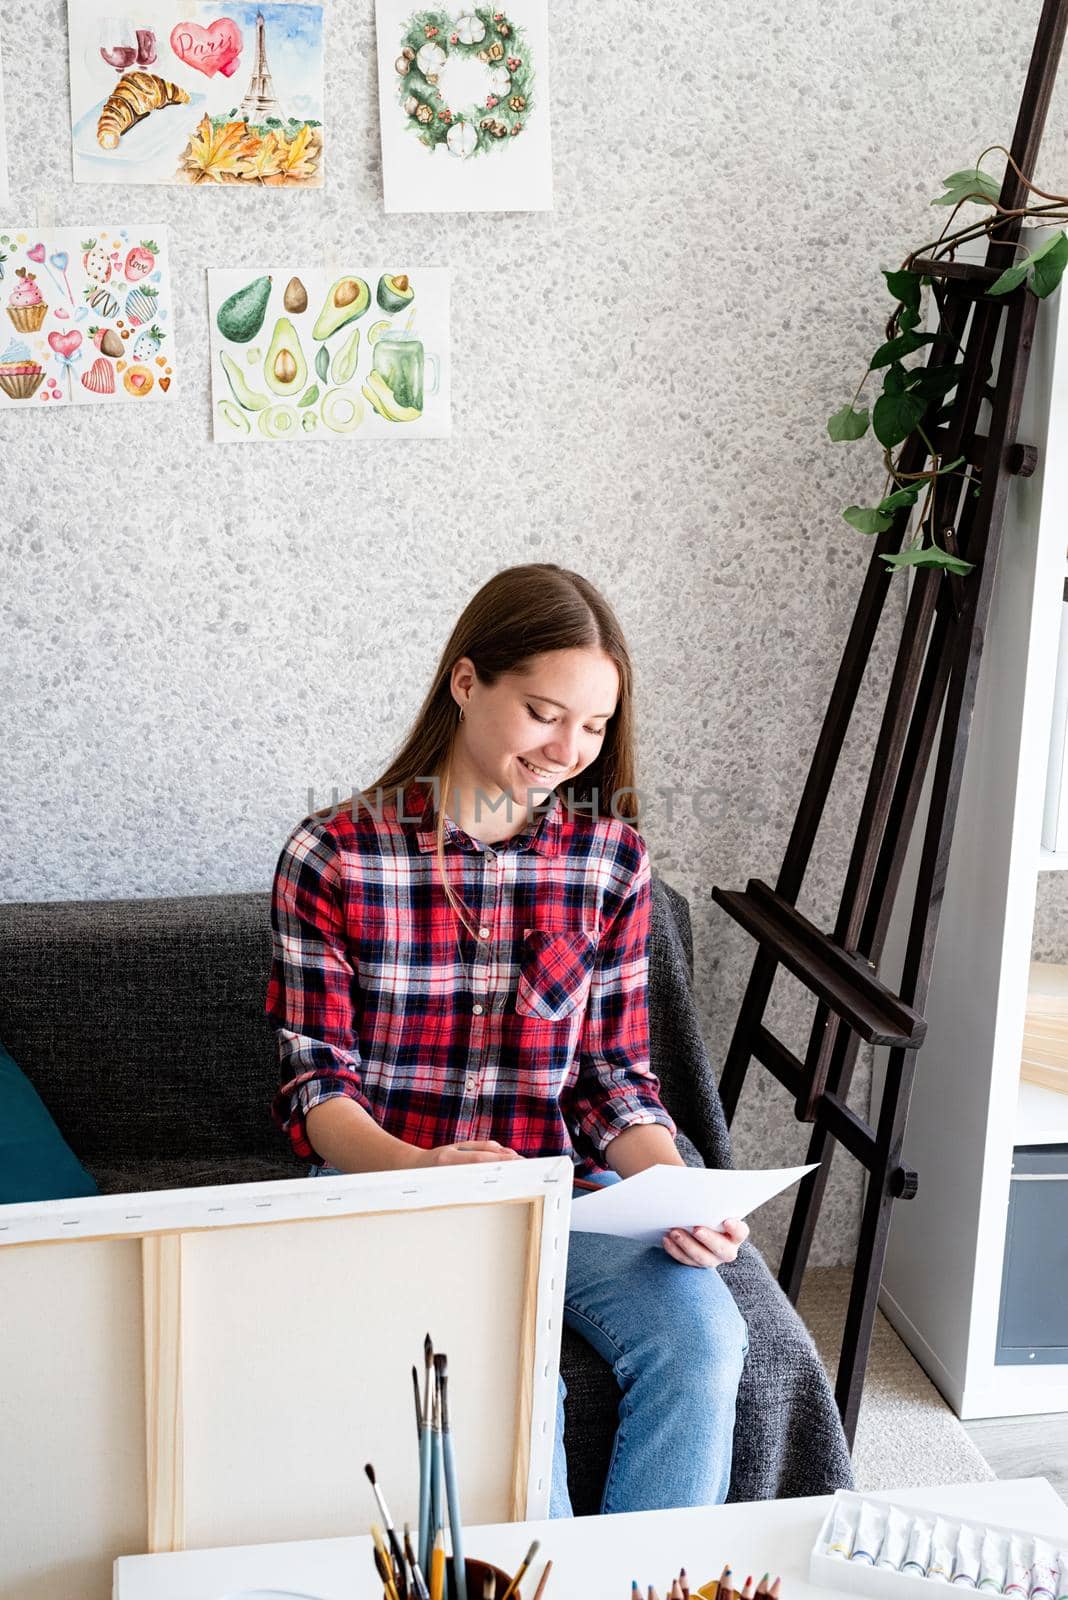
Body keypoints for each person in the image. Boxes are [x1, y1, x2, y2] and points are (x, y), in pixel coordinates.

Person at [266, 561, 750, 1516]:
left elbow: (613, 1078)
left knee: (707, 1344)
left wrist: (667, 1191)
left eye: (595, 724)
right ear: (465, 681)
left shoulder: (610, 858)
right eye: (543, 711)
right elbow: (316, 1092)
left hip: (560, 1194)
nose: (569, 747)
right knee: (522, 1391)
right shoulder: (332, 855)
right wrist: (427, 1168)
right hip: (393, 1190)